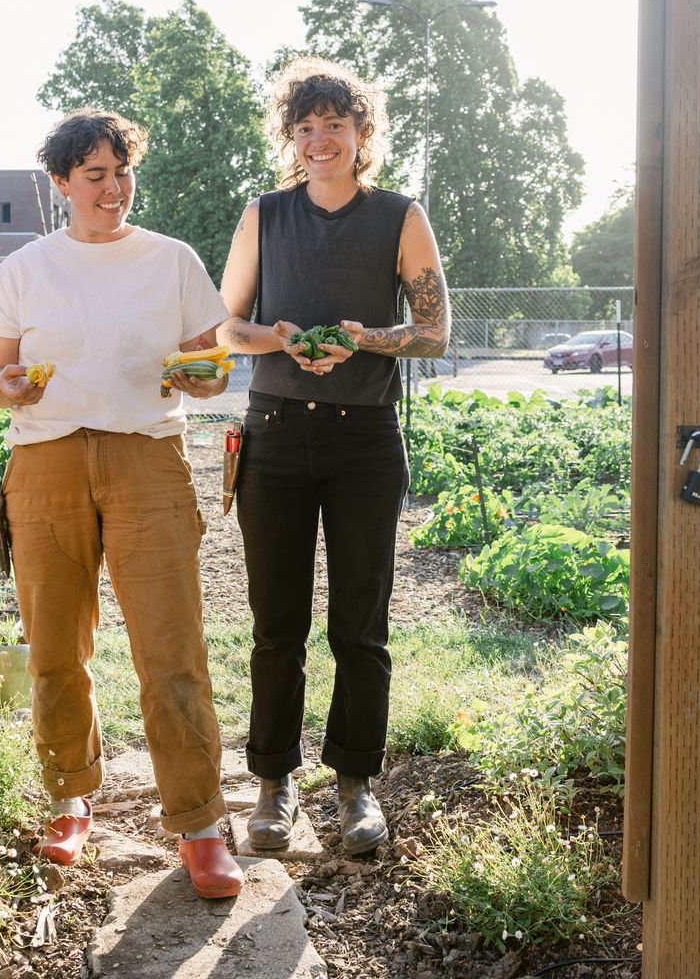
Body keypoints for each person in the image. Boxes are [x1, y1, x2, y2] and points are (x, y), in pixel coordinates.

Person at [0, 108, 242, 899]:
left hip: (147, 460)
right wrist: (6, 386)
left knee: (172, 650)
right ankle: (70, 801)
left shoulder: (173, 260)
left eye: (122, 173)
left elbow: (213, 365)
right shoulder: (24, 268)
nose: (113, 189)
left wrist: (206, 376)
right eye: (95, 176)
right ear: (62, 183)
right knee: (57, 647)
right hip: (46, 463)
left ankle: (198, 824)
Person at [218, 58, 450, 854]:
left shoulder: (399, 216)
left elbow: (433, 330)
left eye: (335, 125)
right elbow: (226, 326)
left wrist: (366, 340)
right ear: (293, 137)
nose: (320, 140)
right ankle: (273, 783)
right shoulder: (264, 214)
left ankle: (356, 786)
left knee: (361, 624)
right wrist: (280, 337)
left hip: (365, 443)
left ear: (361, 133)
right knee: (276, 624)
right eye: (305, 127)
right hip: (276, 433)